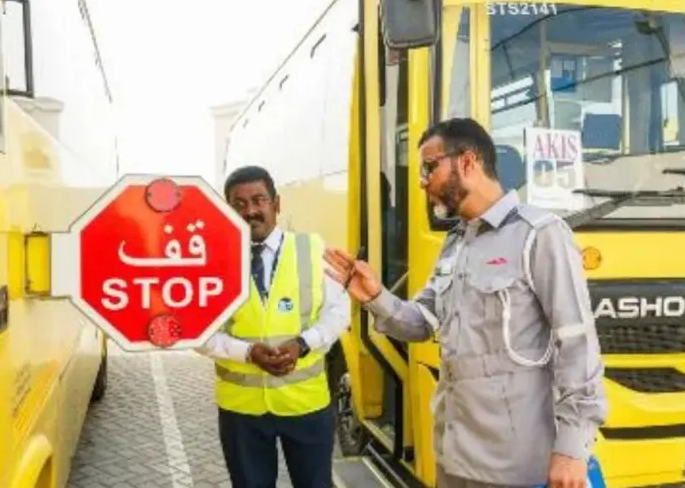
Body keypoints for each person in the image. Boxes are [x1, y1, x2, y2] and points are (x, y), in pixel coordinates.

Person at [323, 118, 607, 488]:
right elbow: (423, 321)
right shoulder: (455, 243)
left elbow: (577, 346)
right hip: (454, 457)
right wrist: (376, 297)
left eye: (429, 166)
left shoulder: (540, 235)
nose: (422, 181)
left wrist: (571, 450)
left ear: (468, 162)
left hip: (517, 467)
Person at [195, 165, 351, 488]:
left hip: (306, 404)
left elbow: (339, 311)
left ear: (276, 204)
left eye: (259, 200)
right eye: (238, 204)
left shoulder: (311, 248)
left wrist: (304, 343)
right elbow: (199, 332)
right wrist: (247, 352)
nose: (250, 211)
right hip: (242, 411)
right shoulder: (212, 260)